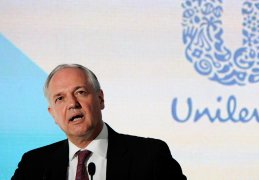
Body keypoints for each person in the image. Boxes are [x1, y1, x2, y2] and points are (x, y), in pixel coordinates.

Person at [12, 64, 186, 180]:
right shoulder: (33, 165)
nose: (72, 103)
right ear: (53, 114)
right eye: (60, 98)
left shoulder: (150, 156)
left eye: (80, 92)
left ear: (100, 99)